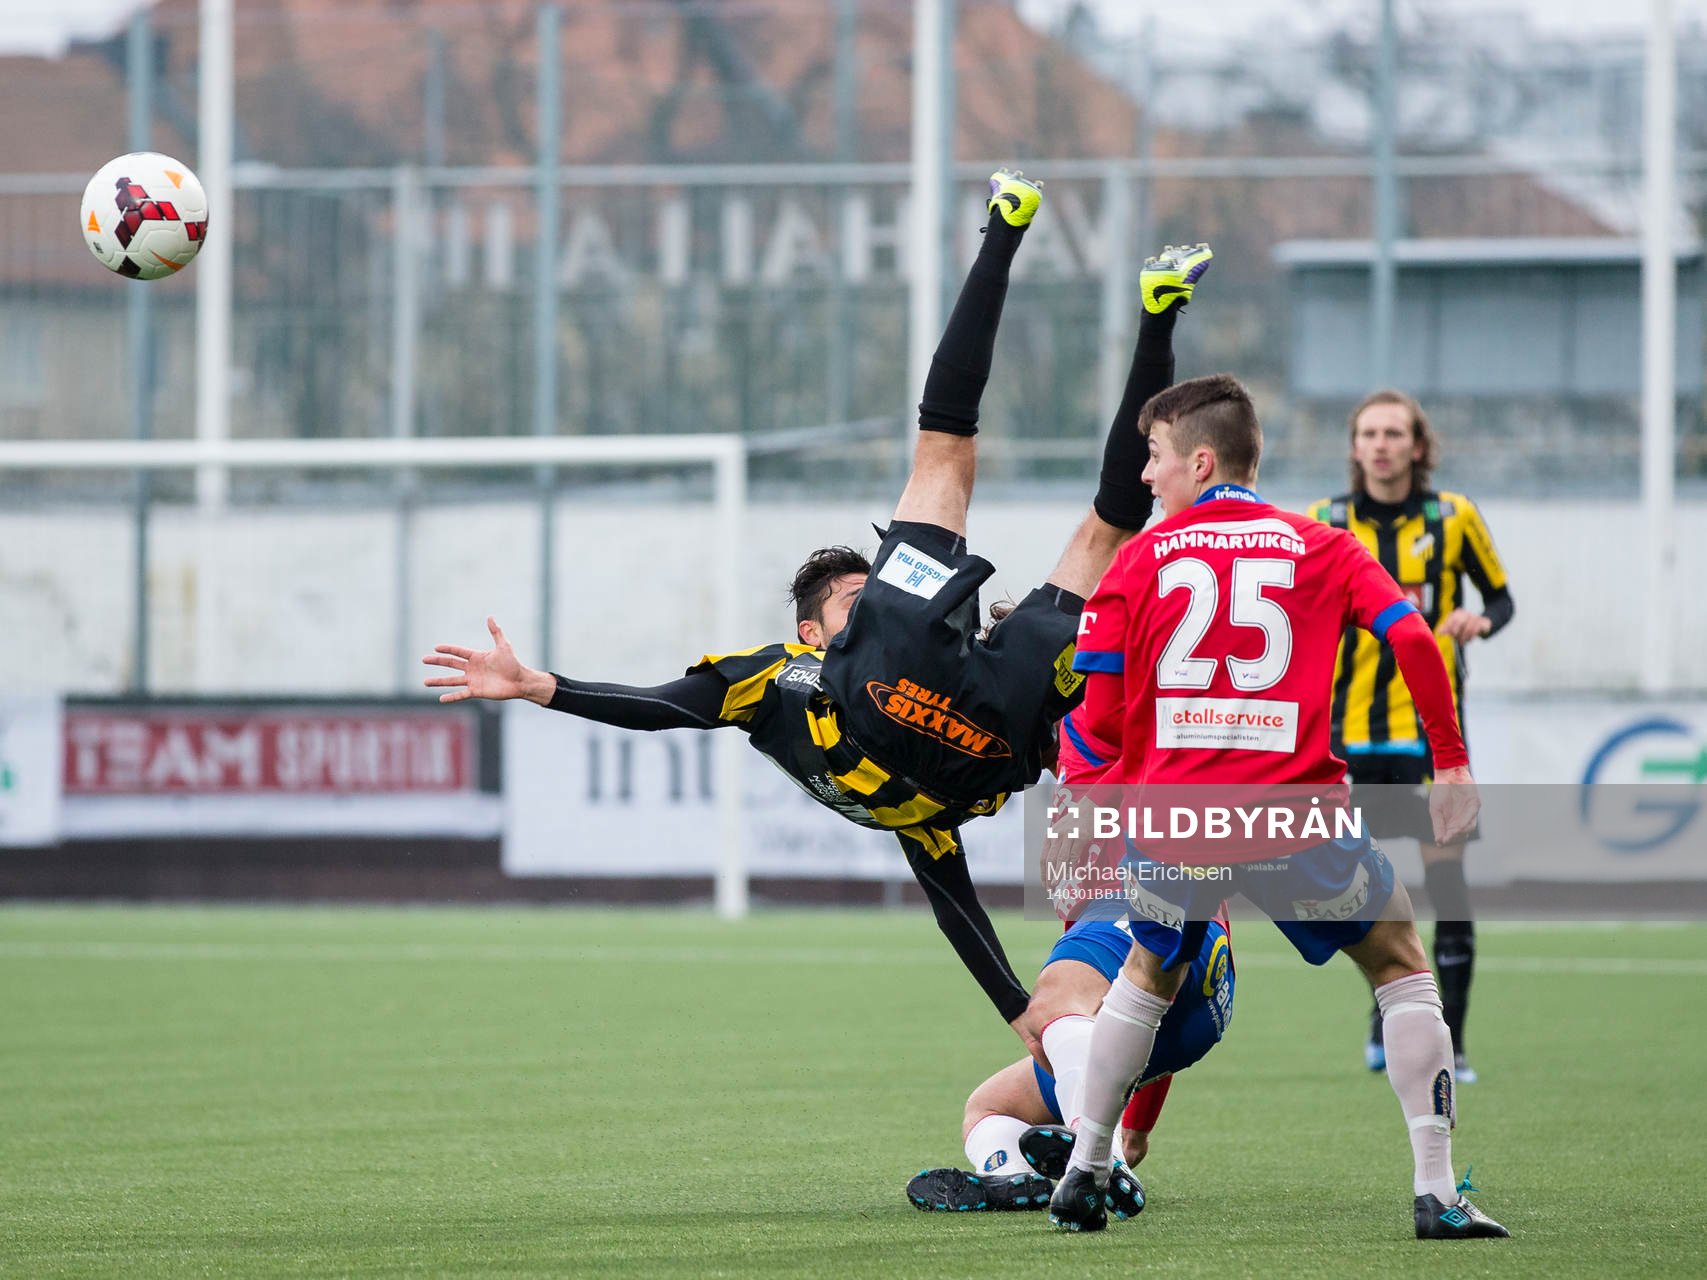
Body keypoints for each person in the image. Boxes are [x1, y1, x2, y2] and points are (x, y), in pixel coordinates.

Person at [422, 170, 1215, 1062]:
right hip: (956, 710)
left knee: (1091, 511)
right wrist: (544, 688)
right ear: (812, 632)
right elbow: (663, 707)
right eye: (851, 594)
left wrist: (1010, 1005)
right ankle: (1048, 251)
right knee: (1004, 472)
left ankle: (1129, 295)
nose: (865, 589)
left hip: (981, 720)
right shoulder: (778, 679)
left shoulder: (836, 729)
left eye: (864, 586)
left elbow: (946, 891)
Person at [1045, 374, 1508, 1239]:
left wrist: (1087, 810)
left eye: (1154, 457)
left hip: (1177, 818)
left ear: (1202, 460)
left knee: (1145, 975)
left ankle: (1084, 1171)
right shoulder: (1320, 545)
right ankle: (1437, 1194)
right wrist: (1449, 763)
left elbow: (1096, 713)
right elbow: (1410, 634)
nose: (1145, 476)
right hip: (1293, 816)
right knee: (1402, 965)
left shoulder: (1137, 561)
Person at [1306, 391, 1515, 1082]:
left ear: (1417, 446)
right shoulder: (1324, 523)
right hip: (1348, 737)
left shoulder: (1451, 518)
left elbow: (1499, 598)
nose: (1380, 445)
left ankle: (1450, 1045)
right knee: (1366, 888)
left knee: (1446, 887)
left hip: (1431, 739)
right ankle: (1384, 1024)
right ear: (1354, 446)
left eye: (1393, 432)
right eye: (1367, 433)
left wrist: (1477, 621)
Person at [905, 910, 1233, 1217]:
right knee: (989, 1106)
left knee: (1054, 1003)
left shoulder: (1092, 865)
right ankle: (1010, 1172)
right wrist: (1136, 1131)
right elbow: (1146, 1019)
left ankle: (1096, 1156)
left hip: (1156, 919)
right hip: (1208, 1004)